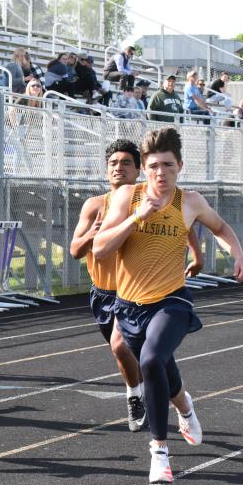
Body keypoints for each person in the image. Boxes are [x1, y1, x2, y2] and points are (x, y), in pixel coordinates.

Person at [93, 127, 243, 483]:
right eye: (153, 166)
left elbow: (220, 227)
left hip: (172, 300)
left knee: (149, 360)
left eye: (167, 165)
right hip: (130, 305)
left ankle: (159, 451)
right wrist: (137, 219)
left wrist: (237, 254)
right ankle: (186, 406)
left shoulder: (189, 201)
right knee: (162, 369)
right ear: (144, 169)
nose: (160, 173)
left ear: (179, 166)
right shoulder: (127, 198)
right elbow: (100, 249)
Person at [71, 139, 204, 433]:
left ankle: (136, 398)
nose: (119, 168)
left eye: (126, 163)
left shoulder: (150, 199)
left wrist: (197, 254)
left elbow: (185, 226)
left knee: (128, 349)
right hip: (101, 294)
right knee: (136, 357)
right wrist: (93, 235)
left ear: (138, 169)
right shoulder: (94, 205)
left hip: (135, 294)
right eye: (113, 163)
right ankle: (167, 398)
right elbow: (75, 251)